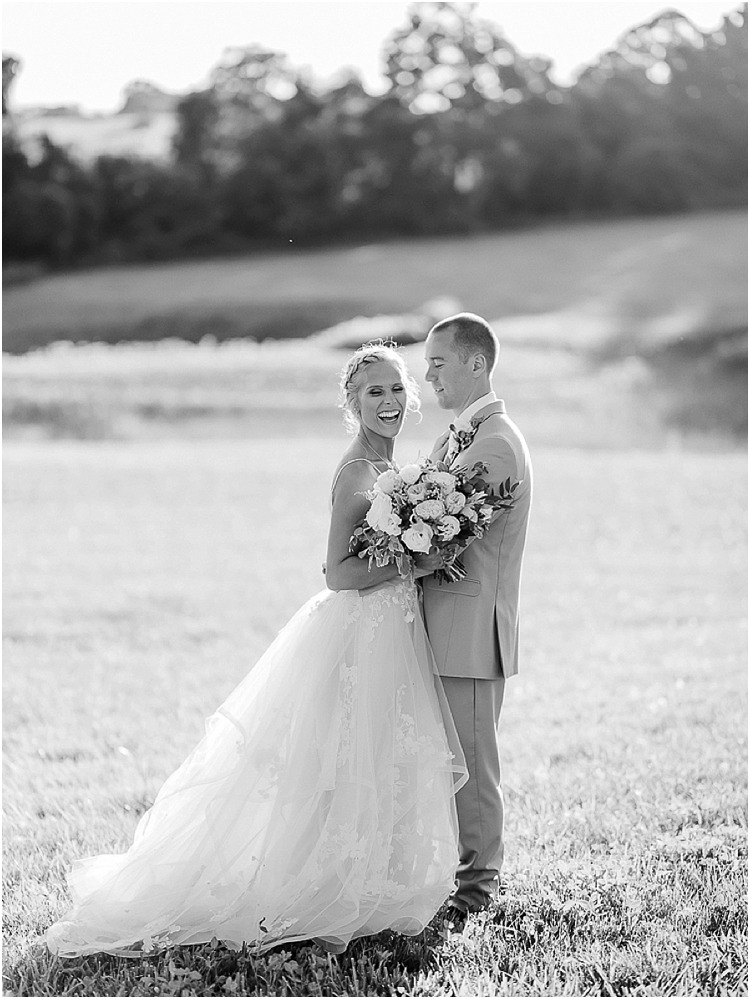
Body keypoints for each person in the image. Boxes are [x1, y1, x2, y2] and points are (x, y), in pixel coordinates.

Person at [45, 343, 467, 959]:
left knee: (378, 757)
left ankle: (373, 884)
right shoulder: (358, 471)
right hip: (360, 632)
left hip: (390, 628)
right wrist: (416, 558)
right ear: (352, 403)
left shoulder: (393, 468)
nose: (389, 402)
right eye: (374, 392)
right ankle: (322, 889)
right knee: (341, 762)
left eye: (397, 390)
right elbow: (338, 571)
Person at [421, 313, 532, 930]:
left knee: (472, 768)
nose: (427, 375)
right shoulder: (460, 436)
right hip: (446, 627)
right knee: (450, 763)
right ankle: (457, 875)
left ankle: (479, 889)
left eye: (438, 363)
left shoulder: (492, 444)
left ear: (476, 364)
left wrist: (375, 558)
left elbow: (448, 538)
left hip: (470, 633)